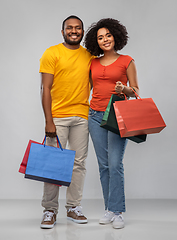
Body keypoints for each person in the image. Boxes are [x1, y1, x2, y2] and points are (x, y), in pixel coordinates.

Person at [39, 15, 94, 229]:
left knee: (78, 164)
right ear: (62, 32)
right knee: (53, 164)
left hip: (82, 116)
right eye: (69, 28)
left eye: (78, 28)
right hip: (58, 117)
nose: (74, 31)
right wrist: (48, 121)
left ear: (82, 31)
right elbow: (45, 89)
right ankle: (49, 210)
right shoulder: (52, 53)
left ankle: (73, 207)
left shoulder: (89, 56)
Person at [84, 18, 139, 229]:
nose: (105, 39)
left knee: (115, 164)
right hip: (95, 115)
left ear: (116, 36)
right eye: (100, 37)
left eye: (108, 35)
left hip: (117, 115)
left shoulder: (127, 61)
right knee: (104, 165)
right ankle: (109, 208)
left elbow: (135, 90)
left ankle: (117, 212)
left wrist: (123, 90)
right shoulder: (93, 62)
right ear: (95, 42)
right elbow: (88, 88)